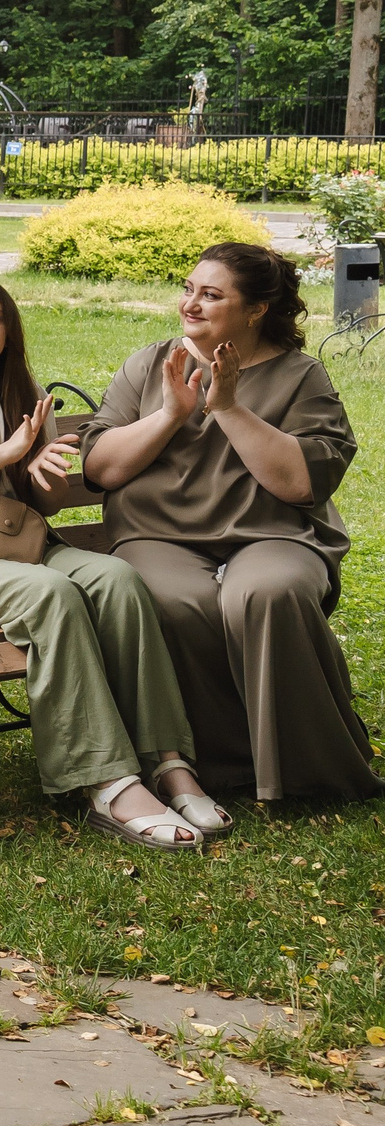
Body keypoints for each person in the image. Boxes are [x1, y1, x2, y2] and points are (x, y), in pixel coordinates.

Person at [0, 275, 208, 850]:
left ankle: (165, 758)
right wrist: (6, 453)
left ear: (9, 329)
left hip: (17, 548)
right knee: (49, 594)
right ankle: (105, 777)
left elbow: (47, 500)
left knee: (117, 578)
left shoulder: (23, 391)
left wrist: (41, 473)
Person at [79, 245, 376, 808]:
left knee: (270, 591)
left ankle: (309, 770)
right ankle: (224, 765)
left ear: (258, 309)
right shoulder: (151, 364)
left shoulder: (299, 375)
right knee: (175, 599)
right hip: (158, 534)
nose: (190, 303)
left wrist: (230, 406)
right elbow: (100, 467)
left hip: (272, 533)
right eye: (189, 288)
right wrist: (170, 412)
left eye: (211, 295)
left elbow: (302, 483)